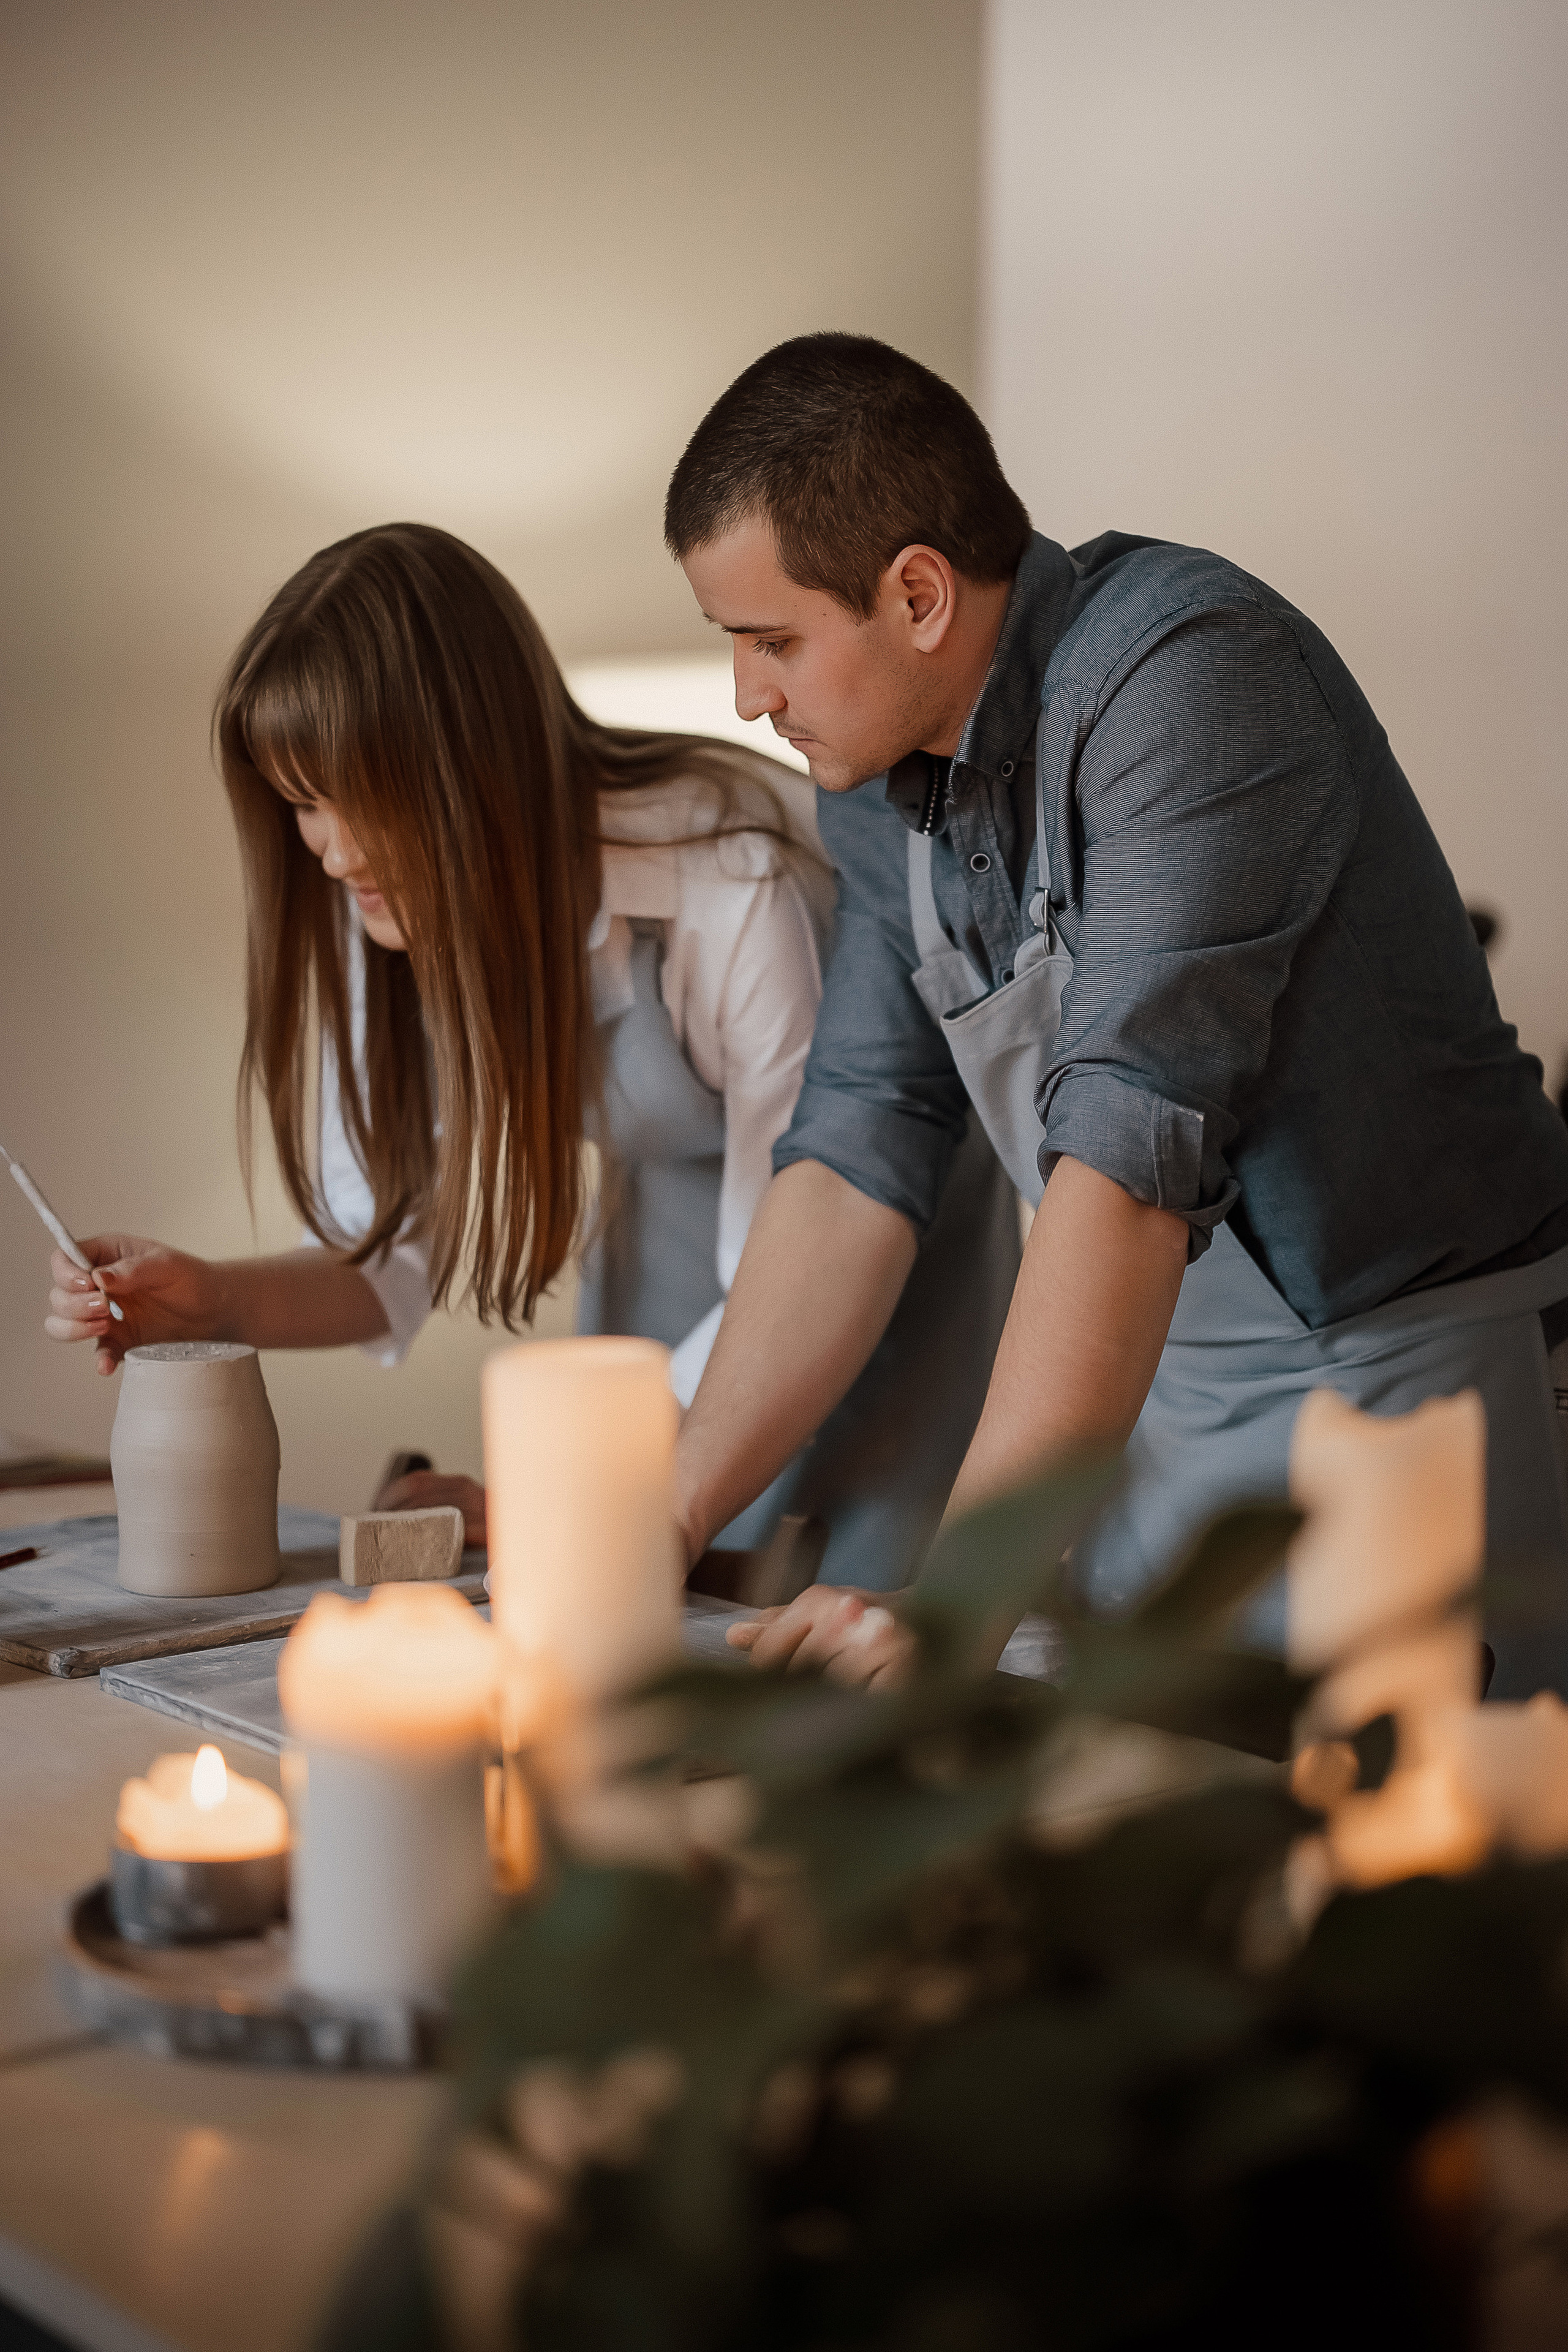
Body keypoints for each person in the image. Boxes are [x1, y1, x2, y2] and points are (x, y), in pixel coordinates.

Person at [660, 334, 1568, 1698]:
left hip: (1399, 1393)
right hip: (1150, 1407)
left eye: (772, 640)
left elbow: (1128, 1150)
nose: (748, 694)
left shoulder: (1191, 678)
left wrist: (952, 1605)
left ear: (915, 593)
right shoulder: (875, 786)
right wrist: (657, 1520)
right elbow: (857, 1145)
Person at [44, 522, 1020, 1581]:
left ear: (472, 763)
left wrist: (559, 1493)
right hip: (669, 1272)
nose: (331, 850)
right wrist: (215, 1299)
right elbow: (395, 1255)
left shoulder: (731, 881)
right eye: (303, 805)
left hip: (868, 1264)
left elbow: (794, 1262)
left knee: (848, 1610)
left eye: (358, 799)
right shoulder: (384, 898)